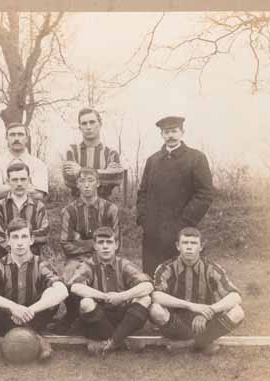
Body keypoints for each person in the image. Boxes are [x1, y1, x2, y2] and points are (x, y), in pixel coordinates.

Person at [0, 218, 68, 360]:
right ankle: (38, 340)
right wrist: (13, 307)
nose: (19, 242)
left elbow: (62, 291)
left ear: (31, 240)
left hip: (34, 316)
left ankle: (4, 342)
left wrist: (29, 311)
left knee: (52, 292)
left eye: (24, 237)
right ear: (8, 240)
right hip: (5, 318)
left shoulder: (41, 264)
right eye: (15, 237)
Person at [136, 116, 213, 277]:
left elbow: (204, 194)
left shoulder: (196, 158)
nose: (170, 135)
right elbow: (143, 192)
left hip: (181, 230)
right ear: (162, 135)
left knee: (181, 276)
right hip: (153, 231)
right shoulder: (153, 160)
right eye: (166, 132)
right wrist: (143, 218)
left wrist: (185, 222)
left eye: (174, 131)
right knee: (152, 275)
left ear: (182, 132)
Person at [149, 227, 244, 354]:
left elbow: (235, 296)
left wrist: (208, 311)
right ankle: (200, 343)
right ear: (178, 246)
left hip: (206, 322)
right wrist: (191, 306)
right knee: (155, 309)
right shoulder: (166, 268)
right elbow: (155, 296)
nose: (189, 247)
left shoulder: (212, 269)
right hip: (177, 322)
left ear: (201, 247)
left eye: (193, 243)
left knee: (238, 311)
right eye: (185, 243)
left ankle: (194, 343)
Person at [52, 167, 120, 334]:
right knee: (68, 274)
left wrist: (83, 241)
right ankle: (73, 315)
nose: (87, 185)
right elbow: (65, 243)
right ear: (77, 185)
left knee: (109, 273)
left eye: (91, 180)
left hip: (104, 256)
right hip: (77, 258)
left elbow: (116, 241)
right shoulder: (69, 211)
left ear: (98, 183)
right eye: (82, 181)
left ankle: (105, 314)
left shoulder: (111, 209)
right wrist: (93, 245)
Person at [69, 227, 153, 355]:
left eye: (109, 242)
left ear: (116, 245)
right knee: (86, 302)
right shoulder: (87, 265)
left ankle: (111, 342)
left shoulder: (124, 264)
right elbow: (75, 286)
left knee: (145, 298)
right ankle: (121, 341)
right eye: (101, 242)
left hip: (123, 316)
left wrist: (122, 296)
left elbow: (148, 286)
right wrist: (104, 296)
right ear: (95, 246)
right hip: (98, 318)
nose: (105, 246)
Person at [62, 108, 125, 199]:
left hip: (105, 207)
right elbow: (69, 180)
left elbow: (116, 179)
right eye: (84, 123)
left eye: (92, 122)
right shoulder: (72, 151)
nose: (88, 127)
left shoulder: (111, 153)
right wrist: (105, 174)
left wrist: (80, 171)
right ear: (80, 128)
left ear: (100, 124)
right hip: (77, 208)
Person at [0, 162, 49, 258]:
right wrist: (27, 238)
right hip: (4, 259)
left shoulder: (39, 207)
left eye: (23, 179)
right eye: (14, 180)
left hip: (33, 259)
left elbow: (44, 234)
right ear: (7, 181)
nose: (19, 184)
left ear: (29, 180)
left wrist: (13, 236)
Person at [0, 122, 49, 201]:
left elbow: (39, 194)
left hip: (32, 211)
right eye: (12, 135)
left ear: (26, 139)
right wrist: (26, 186)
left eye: (20, 134)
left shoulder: (38, 165)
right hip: (3, 211)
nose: (16, 138)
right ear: (7, 138)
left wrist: (6, 186)